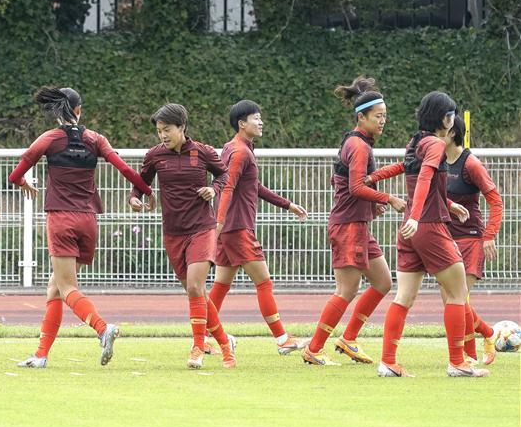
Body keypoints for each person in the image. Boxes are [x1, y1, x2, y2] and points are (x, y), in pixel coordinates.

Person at [8, 87, 151, 368]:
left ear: (56, 112)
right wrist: (144, 191)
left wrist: (24, 183)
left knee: (67, 286)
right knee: (55, 289)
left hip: (61, 219)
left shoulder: (50, 138)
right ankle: (40, 355)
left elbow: (15, 174)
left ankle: (102, 329)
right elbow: (125, 169)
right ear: (79, 110)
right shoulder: (95, 139)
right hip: (88, 220)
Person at [367, 91, 488, 377]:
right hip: (429, 226)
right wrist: (421, 217)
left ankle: (388, 362)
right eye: (451, 114)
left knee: (404, 296)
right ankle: (458, 363)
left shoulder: (415, 141)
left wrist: (372, 177)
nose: (454, 119)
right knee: (458, 293)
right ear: (444, 118)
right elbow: (423, 179)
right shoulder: (435, 143)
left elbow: (410, 172)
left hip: (410, 228)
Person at [302, 77, 406, 366]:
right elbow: (356, 188)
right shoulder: (358, 146)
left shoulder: (359, 143)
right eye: (378, 116)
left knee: (383, 282)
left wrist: (371, 207)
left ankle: (348, 339)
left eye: (385, 115)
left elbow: (352, 186)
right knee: (346, 290)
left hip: (357, 224)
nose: (383, 121)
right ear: (362, 116)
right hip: (347, 226)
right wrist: (388, 199)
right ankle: (313, 348)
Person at [129, 103, 236, 369]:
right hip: (173, 233)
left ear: (182, 127)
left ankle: (198, 347)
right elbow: (141, 184)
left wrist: (213, 188)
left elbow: (224, 174)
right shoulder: (155, 155)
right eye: (159, 131)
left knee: (194, 287)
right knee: (196, 292)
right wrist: (134, 198)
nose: (162, 135)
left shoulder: (203, 152)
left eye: (167, 130)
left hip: (202, 227)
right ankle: (225, 344)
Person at [210, 100, 308, 355]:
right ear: (242, 124)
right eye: (256, 118)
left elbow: (253, 187)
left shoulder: (233, 148)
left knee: (220, 285)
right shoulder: (241, 152)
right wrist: (219, 222)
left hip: (228, 229)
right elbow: (228, 186)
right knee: (263, 282)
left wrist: (287, 205)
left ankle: (204, 338)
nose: (261, 121)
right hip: (237, 229)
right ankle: (282, 339)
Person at [444, 114, 503, 365]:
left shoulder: (471, 164)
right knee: (452, 302)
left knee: (459, 299)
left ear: (453, 133)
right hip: (445, 239)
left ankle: (466, 356)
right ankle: (488, 333)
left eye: (441, 129)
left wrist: (489, 235)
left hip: (470, 239)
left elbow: (496, 200)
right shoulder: (436, 160)